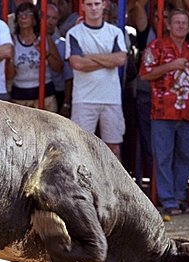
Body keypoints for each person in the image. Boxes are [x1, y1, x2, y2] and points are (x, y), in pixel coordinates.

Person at [140, 8, 189, 216]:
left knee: (186, 157)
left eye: (184, 22)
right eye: (177, 22)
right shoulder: (157, 46)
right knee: (163, 156)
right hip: (163, 113)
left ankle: (179, 195)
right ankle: (168, 200)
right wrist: (170, 66)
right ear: (169, 25)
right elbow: (145, 74)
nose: (181, 26)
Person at [66, 0, 127, 159]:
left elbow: (120, 60)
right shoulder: (74, 33)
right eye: (89, 4)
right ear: (82, 6)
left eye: (97, 4)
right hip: (84, 98)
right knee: (80, 147)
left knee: (113, 148)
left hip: (111, 98)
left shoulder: (115, 32)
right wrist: (108, 60)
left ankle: (114, 184)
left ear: (103, 5)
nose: (93, 8)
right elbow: (77, 63)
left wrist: (90, 57)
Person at [7, 2, 62, 111]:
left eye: (28, 14)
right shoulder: (11, 41)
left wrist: (45, 53)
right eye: (20, 14)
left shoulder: (45, 39)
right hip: (20, 97)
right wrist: (11, 58)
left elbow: (59, 68)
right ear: (16, 20)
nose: (23, 17)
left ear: (35, 19)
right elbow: (9, 76)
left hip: (45, 95)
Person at [47, 2, 73, 115]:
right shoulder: (29, 39)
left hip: (58, 94)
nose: (50, 21)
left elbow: (69, 78)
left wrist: (66, 104)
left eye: (54, 18)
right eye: (47, 17)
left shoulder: (63, 44)